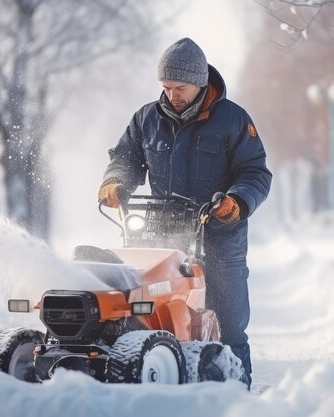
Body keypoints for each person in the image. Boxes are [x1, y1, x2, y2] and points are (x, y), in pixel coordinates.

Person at [97, 38, 272, 385]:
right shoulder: (146, 118)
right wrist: (116, 182)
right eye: (166, 87)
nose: (173, 95)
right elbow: (125, 160)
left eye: (180, 88)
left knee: (229, 324)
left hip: (220, 239)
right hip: (160, 239)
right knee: (150, 314)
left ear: (201, 82)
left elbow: (255, 172)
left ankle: (237, 393)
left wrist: (236, 202)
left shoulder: (233, 120)